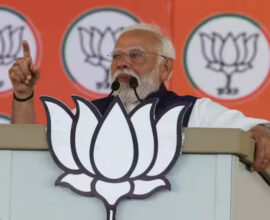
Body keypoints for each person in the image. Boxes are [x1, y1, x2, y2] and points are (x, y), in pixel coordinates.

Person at [8, 23, 270, 172]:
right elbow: (25, 153)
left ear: (165, 68)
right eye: (117, 56)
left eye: (135, 56)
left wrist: (260, 132)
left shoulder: (194, 111)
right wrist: (23, 95)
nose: (123, 64)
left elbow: (256, 130)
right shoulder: (88, 114)